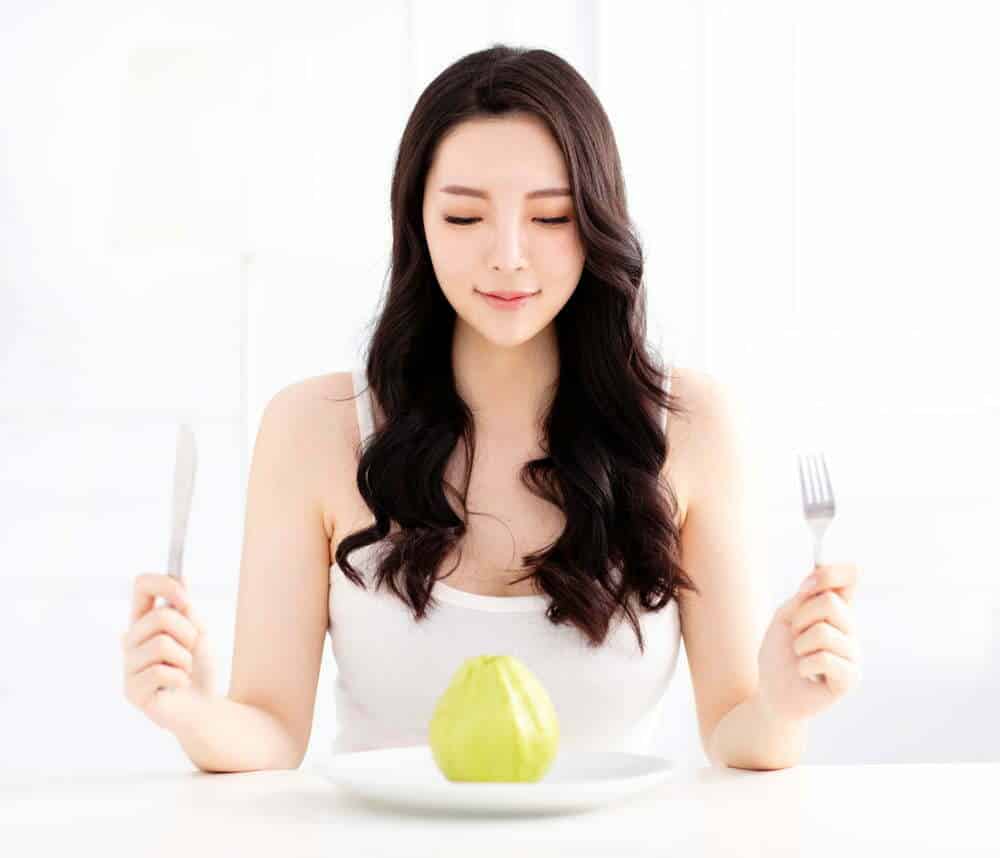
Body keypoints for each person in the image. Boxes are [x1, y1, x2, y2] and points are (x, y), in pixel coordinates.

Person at [121, 44, 861, 773]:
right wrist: (189, 710)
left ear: (598, 223)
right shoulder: (314, 427)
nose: (508, 255)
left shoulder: (692, 422)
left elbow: (736, 730)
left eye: (550, 218)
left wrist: (785, 703)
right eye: (465, 219)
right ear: (415, 225)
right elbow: (271, 731)